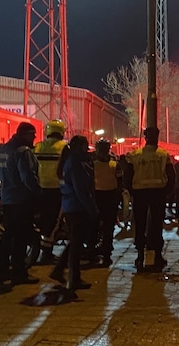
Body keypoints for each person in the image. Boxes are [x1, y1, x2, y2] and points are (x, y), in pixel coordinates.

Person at [0, 123, 40, 285]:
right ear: (25, 135)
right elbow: (27, 177)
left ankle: (1, 270)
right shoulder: (23, 152)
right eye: (32, 134)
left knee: (8, 236)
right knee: (20, 238)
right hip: (22, 199)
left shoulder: (4, 150)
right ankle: (19, 273)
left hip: (7, 198)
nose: (34, 137)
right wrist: (37, 192)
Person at [125, 127, 175, 272]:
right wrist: (166, 192)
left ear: (145, 137)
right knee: (157, 225)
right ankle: (157, 256)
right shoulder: (163, 155)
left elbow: (127, 177)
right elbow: (172, 176)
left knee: (140, 225)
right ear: (157, 137)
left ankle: (140, 256)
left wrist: (132, 191)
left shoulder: (135, 155)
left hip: (140, 194)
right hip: (158, 193)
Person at [51, 135, 97, 291]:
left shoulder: (69, 161)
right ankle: (73, 279)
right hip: (77, 207)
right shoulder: (76, 163)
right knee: (76, 245)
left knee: (74, 242)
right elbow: (80, 188)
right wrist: (91, 208)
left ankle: (59, 270)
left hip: (71, 206)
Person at [33, 120, 68, 264]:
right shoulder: (64, 147)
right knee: (55, 221)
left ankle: (43, 248)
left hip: (39, 188)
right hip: (57, 189)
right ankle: (46, 252)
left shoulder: (38, 146)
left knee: (43, 219)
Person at [91, 138, 121, 266]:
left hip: (101, 197)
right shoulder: (114, 164)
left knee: (99, 226)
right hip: (106, 197)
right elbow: (120, 182)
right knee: (105, 227)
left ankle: (99, 252)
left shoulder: (93, 164)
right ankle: (104, 252)